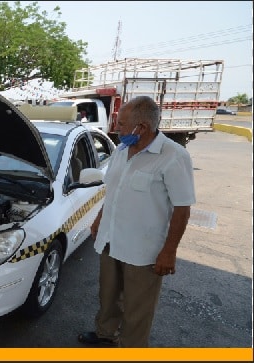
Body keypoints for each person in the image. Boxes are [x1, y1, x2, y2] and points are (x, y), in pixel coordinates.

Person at [78, 96, 195, 348]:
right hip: (111, 239)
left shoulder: (173, 156)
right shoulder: (121, 151)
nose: (116, 128)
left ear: (140, 127)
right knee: (108, 297)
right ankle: (105, 335)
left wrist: (169, 251)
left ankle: (131, 348)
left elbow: (182, 209)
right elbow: (114, 190)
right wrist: (100, 218)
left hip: (144, 250)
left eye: (121, 124)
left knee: (137, 306)